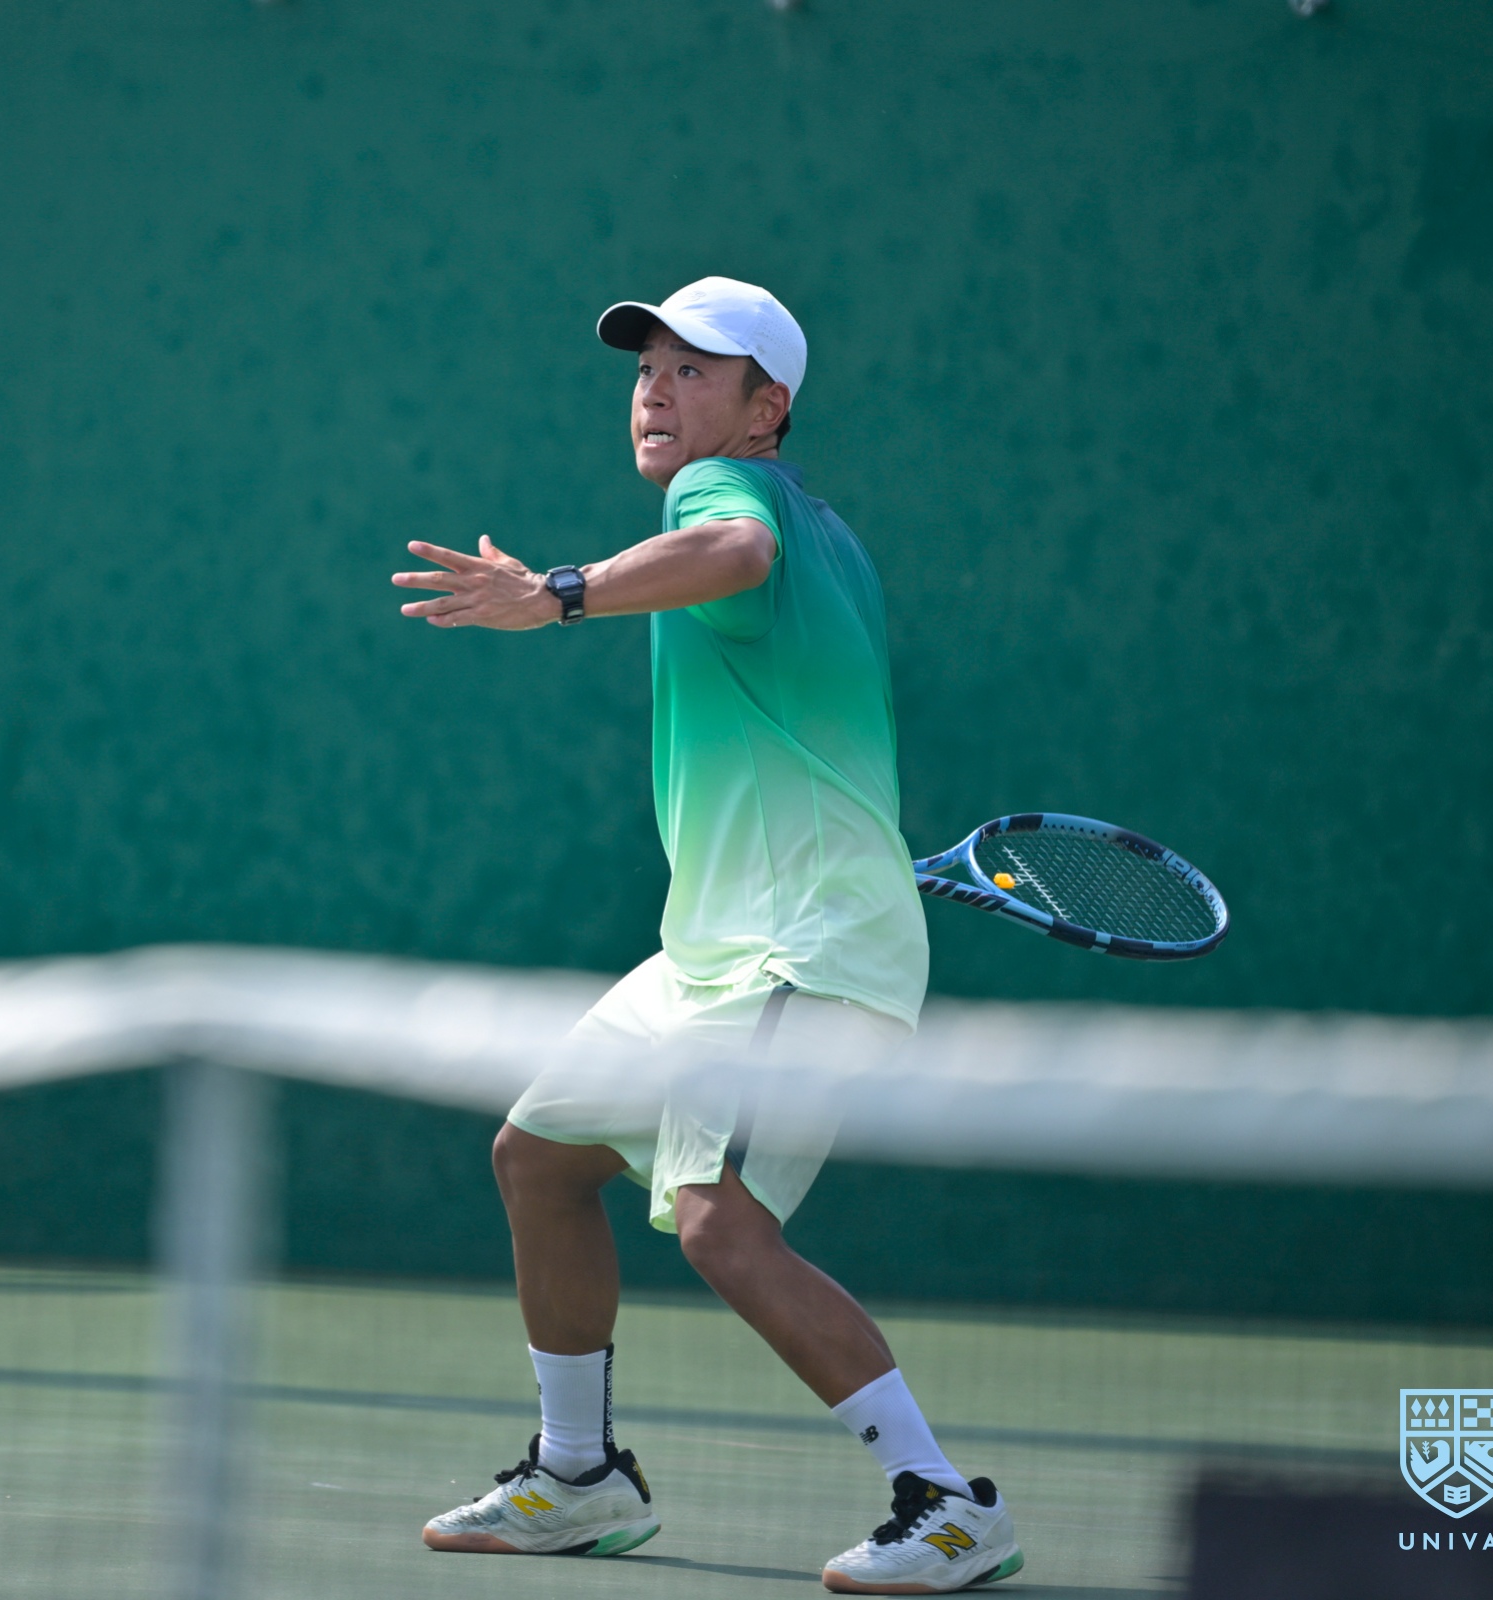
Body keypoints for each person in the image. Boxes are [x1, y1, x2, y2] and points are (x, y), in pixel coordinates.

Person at [389, 277, 1024, 1594]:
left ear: (766, 406)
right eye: (647, 370)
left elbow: (732, 555)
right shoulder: (828, 538)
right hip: (716, 949)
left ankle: (948, 1503)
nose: (655, 392)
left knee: (719, 1222)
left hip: (800, 948)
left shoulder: (726, 499)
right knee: (540, 1158)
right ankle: (578, 1479)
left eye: (694, 371)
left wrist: (558, 592)